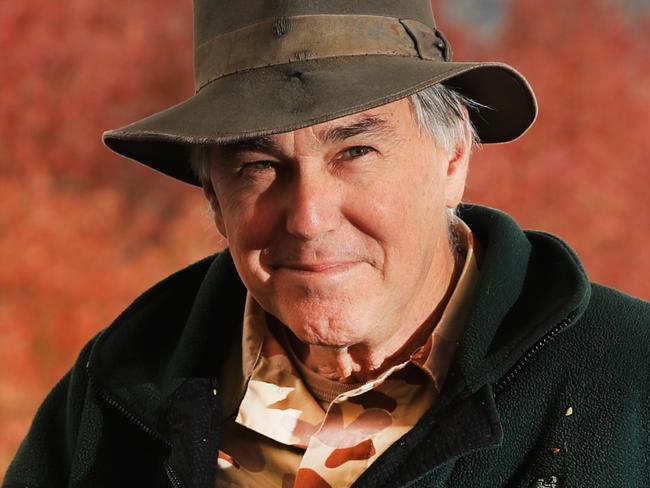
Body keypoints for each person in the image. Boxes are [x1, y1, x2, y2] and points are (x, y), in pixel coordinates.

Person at [4, 1, 649, 487]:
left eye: (355, 151)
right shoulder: (116, 389)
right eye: (257, 165)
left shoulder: (629, 383)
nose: (308, 218)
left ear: (453, 158)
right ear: (213, 201)